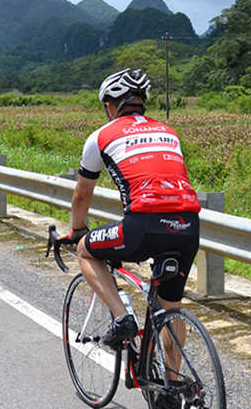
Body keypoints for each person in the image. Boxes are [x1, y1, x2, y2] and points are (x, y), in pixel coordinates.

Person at [65, 68, 201, 348]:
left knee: (86, 252)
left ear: (109, 105)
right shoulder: (168, 132)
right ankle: (172, 386)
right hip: (188, 227)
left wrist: (78, 230)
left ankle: (122, 317)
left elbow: (83, 193)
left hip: (143, 228)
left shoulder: (100, 137)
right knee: (170, 306)